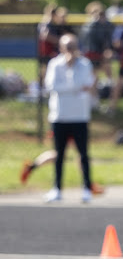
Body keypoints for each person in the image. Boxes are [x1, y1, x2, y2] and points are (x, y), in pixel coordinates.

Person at [42, 33, 96, 203]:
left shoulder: (85, 64)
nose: (70, 51)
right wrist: (74, 87)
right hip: (60, 116)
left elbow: (86, 83)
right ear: (61, 48)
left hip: (80, 116)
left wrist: (72, 83)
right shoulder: (55, 64)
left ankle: (87, 188)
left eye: (73, 46)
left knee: (83, 154)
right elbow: (51, 86)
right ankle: (57, 188)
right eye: (67, 47)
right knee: (59, 154)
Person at [20, 149, 105, 195]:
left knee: (59, 154)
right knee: (79, 153)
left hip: (66, 122)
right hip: (70, 123)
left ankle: (31, 166)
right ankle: (88, 185)